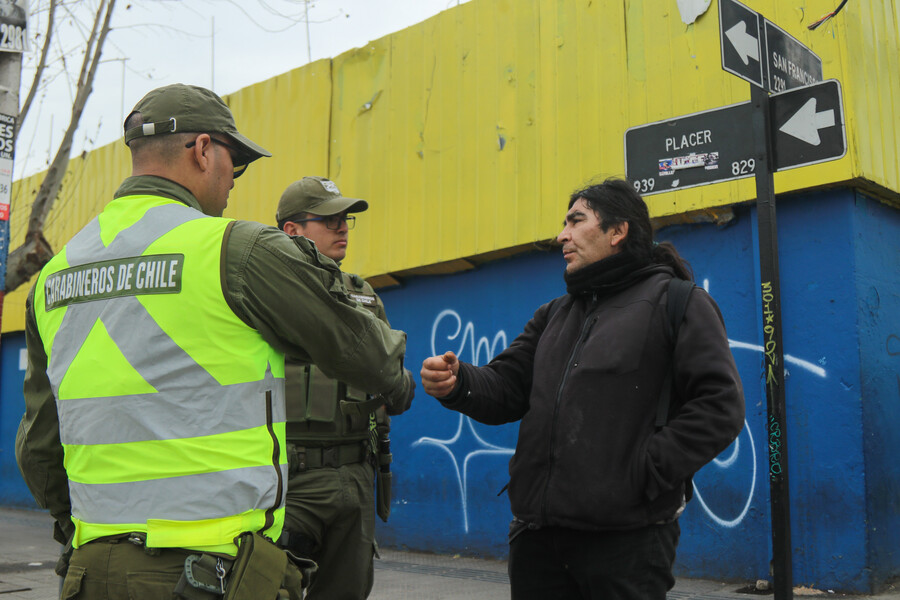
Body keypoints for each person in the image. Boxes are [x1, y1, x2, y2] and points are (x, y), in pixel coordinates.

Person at [15, 84, 413, 600]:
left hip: (91, 572)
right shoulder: (236, 250)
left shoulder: (54, 277)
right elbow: (373, 356)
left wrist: (87, 533)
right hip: (209, 575)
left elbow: (40, 451)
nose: (233, 182)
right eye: (235, 163)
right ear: (202, 150)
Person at [421, 178, 745, 600]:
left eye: (576, 221)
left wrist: (643, 474)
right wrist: (458, 381)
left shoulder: (678, 302)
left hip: (626, 542)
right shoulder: (554, 314)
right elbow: (506, 387)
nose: (563, 235)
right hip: (539, 539)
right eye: (564, 223)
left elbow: (720, 405)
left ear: (617, 231)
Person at [274, 176, 414, 600]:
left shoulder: (364, 296)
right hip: (289, 478)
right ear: (292, 230)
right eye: (329, 219)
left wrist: (400, 383)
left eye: (345, 219)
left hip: (355, 474)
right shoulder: (264, 293)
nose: (342, 228)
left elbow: (398, 389)